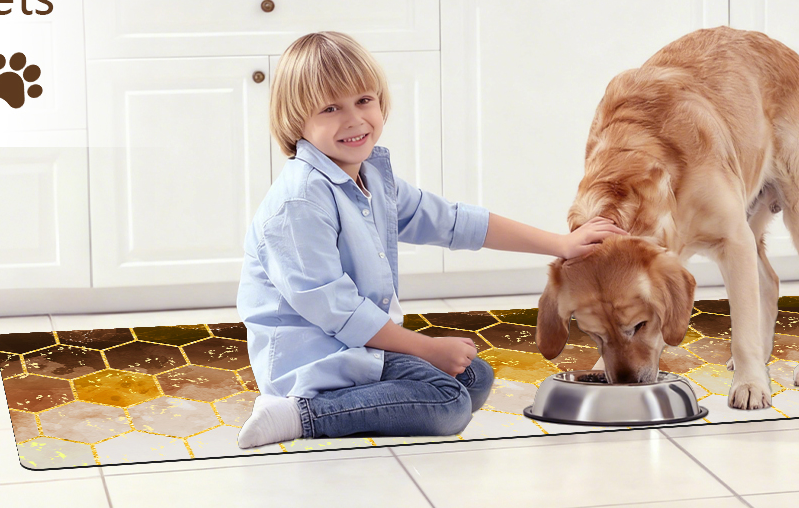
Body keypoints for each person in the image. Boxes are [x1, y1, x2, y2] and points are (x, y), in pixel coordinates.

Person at [236, 31, 628, 449]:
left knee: (476, 378)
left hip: (359, 349)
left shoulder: (368, 177)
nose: (354, 119)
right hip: (314, 361)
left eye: (364, 100)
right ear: (297, 121)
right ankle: (300, 413)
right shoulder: (299, 201)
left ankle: (361, 402)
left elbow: (453, 222)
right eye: (331, 108)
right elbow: (340, 312)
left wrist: (560, 244)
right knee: (449, 405)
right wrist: (425, 348)